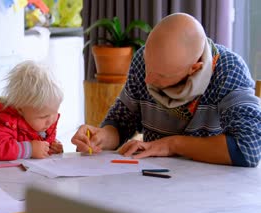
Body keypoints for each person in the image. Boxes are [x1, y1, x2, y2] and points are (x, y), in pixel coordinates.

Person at [72, 13, 261, 167]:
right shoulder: (142, 61)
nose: (148, 80)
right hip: (155, 183)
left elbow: (248, 149)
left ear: (193, 68)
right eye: (148, 67)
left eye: (161, 76)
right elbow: (121, 122)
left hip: (214, 193)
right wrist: (100, 137)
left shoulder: (229, 70)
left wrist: (172, 145)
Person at [0, 60, 64, 161]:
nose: (50, 120)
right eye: (43, 116)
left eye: (54, 112)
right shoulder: (3, 121)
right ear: (20, 109)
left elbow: (38, 145)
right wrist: (30, 149)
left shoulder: (40, 121)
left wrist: (51, 148)